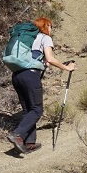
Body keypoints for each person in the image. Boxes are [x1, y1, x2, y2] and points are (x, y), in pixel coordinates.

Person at [8, 17, 76, 153]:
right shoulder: (45, 38)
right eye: (51, 26)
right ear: (47, 26)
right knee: (37, 110)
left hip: (16, 76)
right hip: (30, 75)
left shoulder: (28, 39)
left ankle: (29, 142)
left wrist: (46, 63)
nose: (51, 29)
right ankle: (17, 134)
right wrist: (67, 68)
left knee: (28, 110)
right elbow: (50, 58)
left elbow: (44, 61)